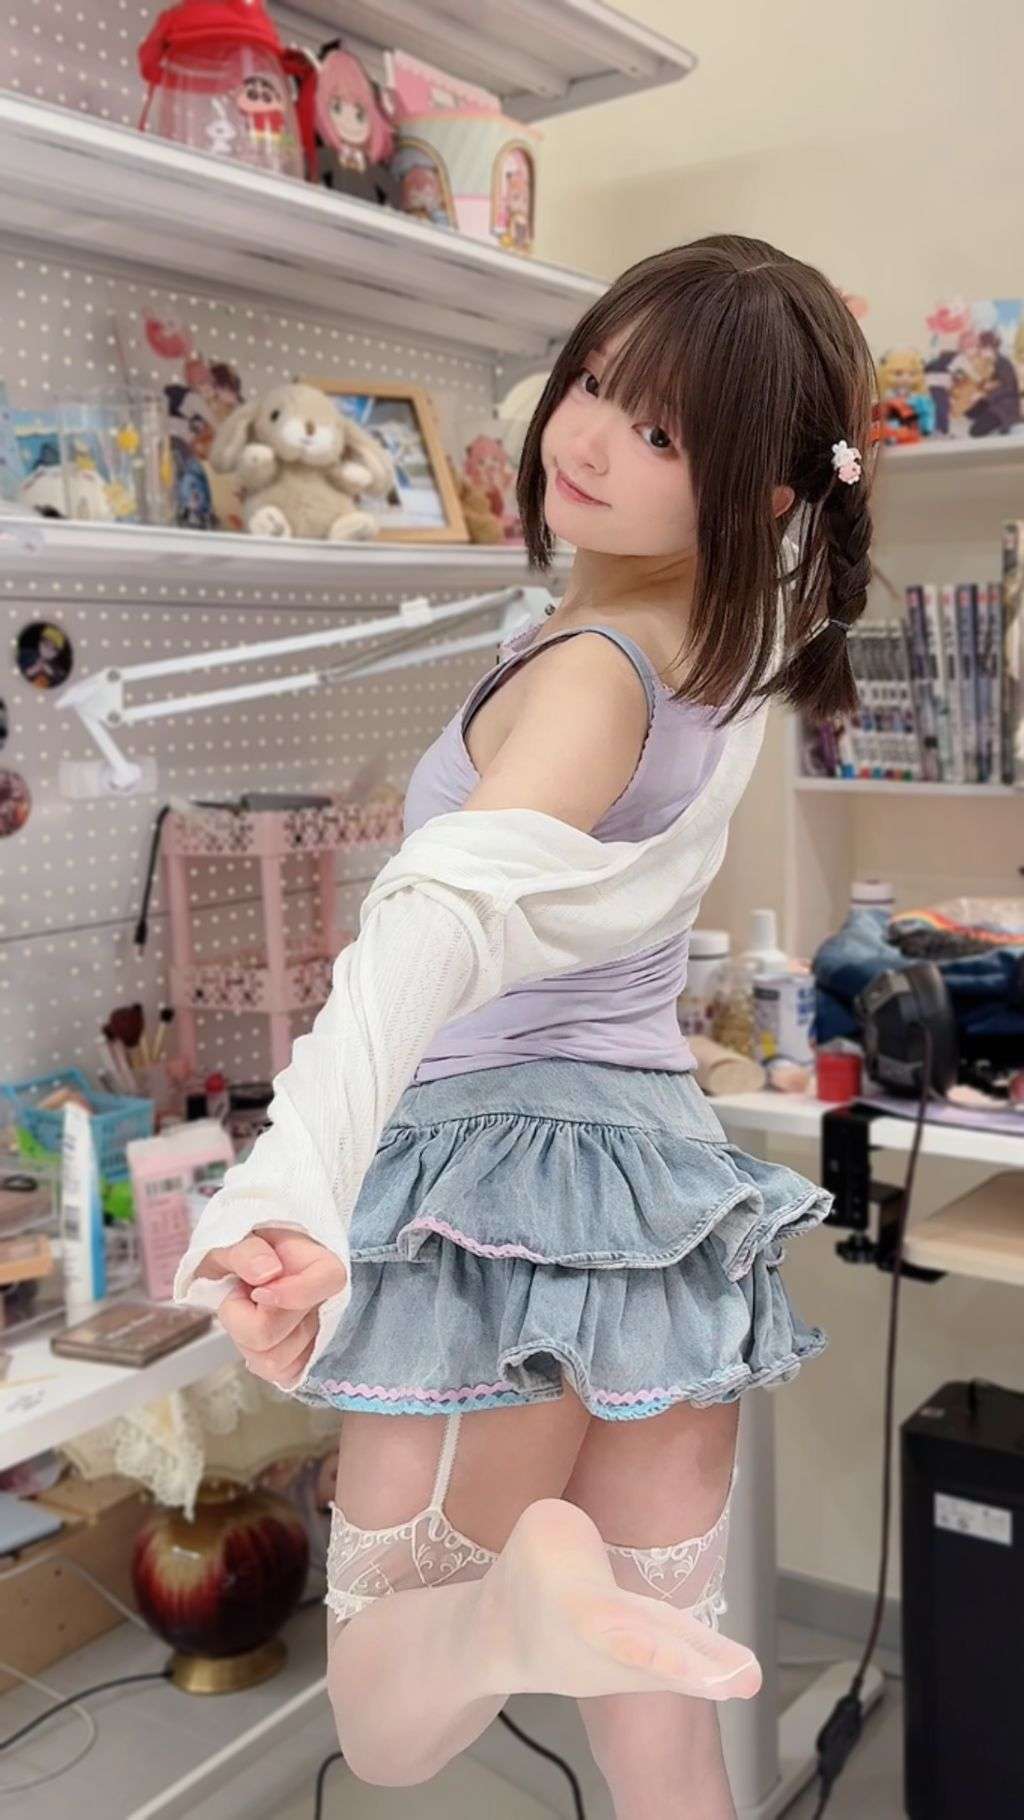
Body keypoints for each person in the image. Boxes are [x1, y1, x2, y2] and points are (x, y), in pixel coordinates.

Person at [173, 234, 877, 1816]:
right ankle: (545, 1610)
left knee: (391, 1719)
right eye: (600, 383)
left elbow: (439, 921)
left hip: (501, 1189)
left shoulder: (590, 675)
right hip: (657, 1198)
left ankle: (510, 1613)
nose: (591, 438)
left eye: (663, 432)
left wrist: (295, 1175)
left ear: (764, 488)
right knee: (662, 1725)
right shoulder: (717, 646)